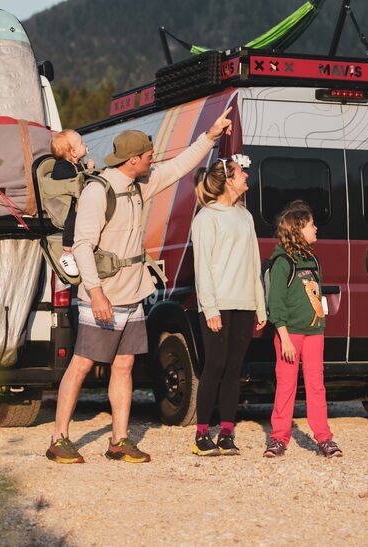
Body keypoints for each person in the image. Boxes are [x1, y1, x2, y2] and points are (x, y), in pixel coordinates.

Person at [45, 108, 233, 464]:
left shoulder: (139, 184)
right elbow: (83, 245)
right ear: (133, 160)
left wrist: (210, 136)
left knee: (125, 365)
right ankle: (59, 439)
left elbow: (180, 166)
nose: (153, 161)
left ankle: (119, 440)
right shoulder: (98, 192)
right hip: (102, 296)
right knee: (82, 363)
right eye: (148, 156)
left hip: (133, 295)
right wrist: (96, 292)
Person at [190, 155, 267, 457]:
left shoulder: (245, 216)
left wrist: (260, 308)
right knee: (215, 365)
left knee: (235, 368)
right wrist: (210, 308)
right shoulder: (206, 218)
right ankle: (201, 435)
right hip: (218, 304)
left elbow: (253, 263)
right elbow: (203, 268)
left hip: (244, 303)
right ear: (227, 181)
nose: (246, 176)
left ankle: (226, 432)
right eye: (240, 173)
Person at [263, 200, 343, 458]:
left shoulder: (313, 260)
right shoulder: (282, 262)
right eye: (311, 224)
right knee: (286, 385)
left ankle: (324, 438)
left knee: (316, 385)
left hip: (314, 333)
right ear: (298, 230)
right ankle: (278, 438)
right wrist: (284, 337)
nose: (316, 228)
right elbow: (275, 304)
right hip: (290, 334)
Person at [50, 129, 94, 277]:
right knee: (73, 219)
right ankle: (66, 253)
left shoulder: (79, 163)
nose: (85, 144)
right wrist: (80, 174)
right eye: (81, 143)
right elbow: (58, 175)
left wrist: (89, 170)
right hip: (66, 205)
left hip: (80, 201)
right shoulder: (62, 165)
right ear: (73, 152)